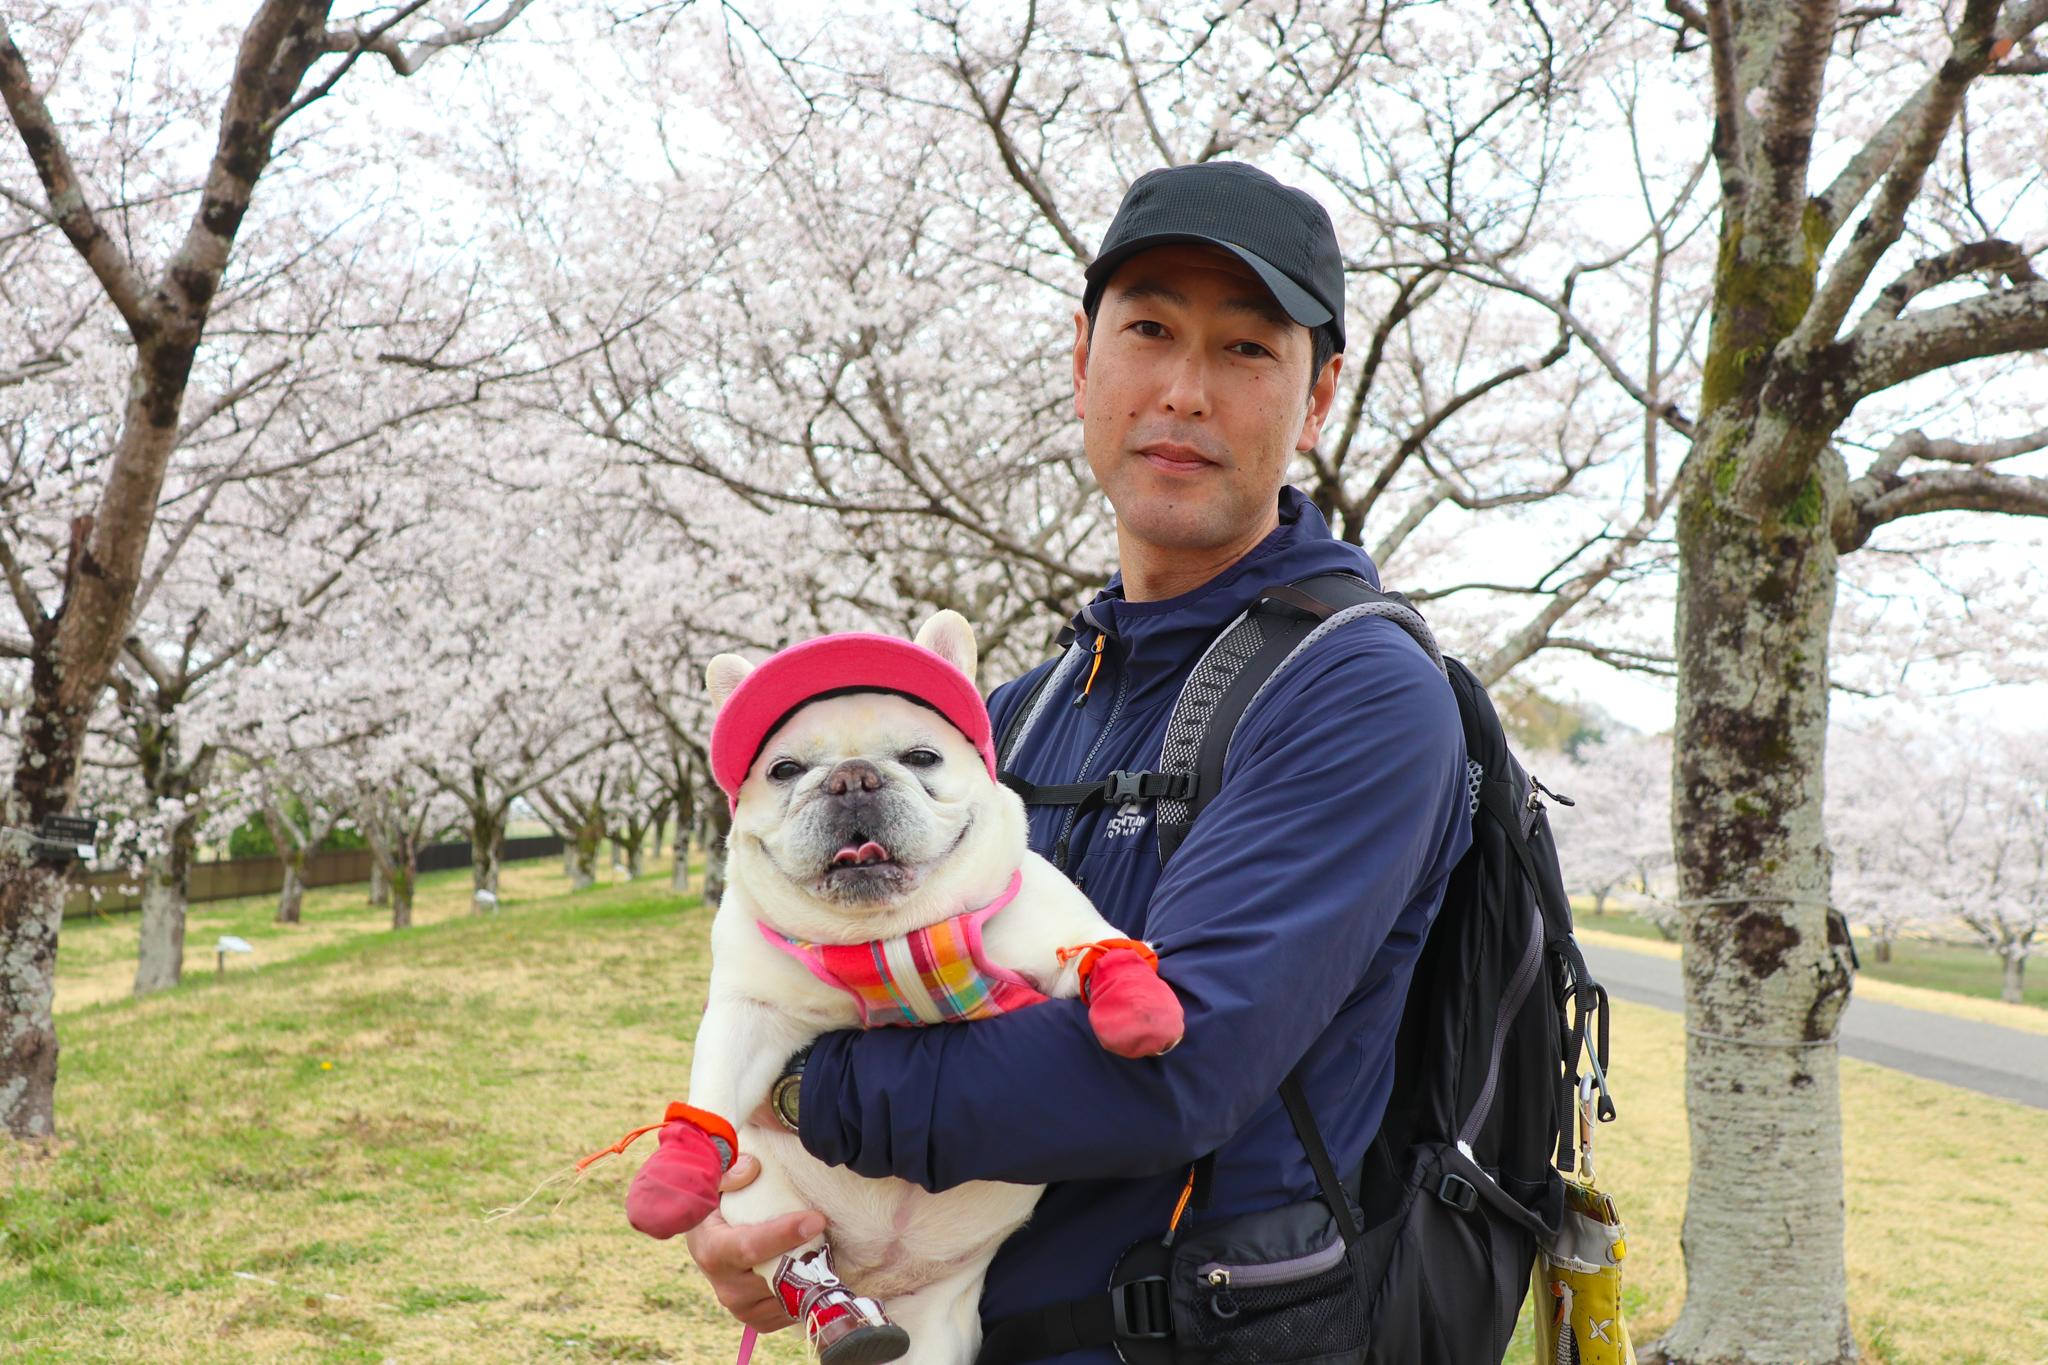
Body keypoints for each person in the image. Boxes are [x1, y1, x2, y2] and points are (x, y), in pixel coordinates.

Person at [685, 161, 1473, 1362]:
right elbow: (856, 971)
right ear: (1081, 358)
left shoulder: (1356, 694)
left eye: (1246, 350)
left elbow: (1173, 1070)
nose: (1182, 391)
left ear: (1316, 397)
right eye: (1148, 330)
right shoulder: (1023, 708)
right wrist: (766, 1208)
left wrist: (791, 1095)